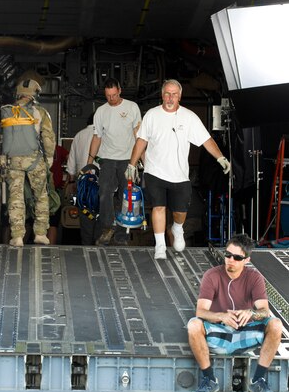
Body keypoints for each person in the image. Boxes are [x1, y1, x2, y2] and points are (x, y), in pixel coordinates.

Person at [126, 78, 230, 259]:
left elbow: (206, 140)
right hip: (155, 171)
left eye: (174, 94)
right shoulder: (151, 115)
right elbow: (141, 140)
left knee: (180, 212)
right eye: (167, 93)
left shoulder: (189, 117)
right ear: (162, 95)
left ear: (179, 96)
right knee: (158, 207)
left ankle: (177, 227)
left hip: (180, 175)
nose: (170, 97)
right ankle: (160, 246)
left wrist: (220, 156)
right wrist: (132, 163)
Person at [187, 233, 283, 392]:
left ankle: (258, 381)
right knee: (193, 325)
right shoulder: (212, 275)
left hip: (244, 331)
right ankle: (209, 380)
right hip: (219, 330)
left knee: (275, 324)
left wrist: (251, 313)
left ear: (246, 260)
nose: (230, 259)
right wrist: (221, 316)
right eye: (227, 254)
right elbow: (201, 312)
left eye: (237, 257)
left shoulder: (254, 277)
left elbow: (264, 310)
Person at [0, 79, 56, 246]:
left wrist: (1, 156)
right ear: (35, 94)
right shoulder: (40, 112)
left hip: (12, 161)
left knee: (16, 197)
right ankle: (41, 234)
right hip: (35, 160)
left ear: (18, 94)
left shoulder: (4, 112)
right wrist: (49, 158)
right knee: (41, 196)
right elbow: (48, 138)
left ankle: (17, 236)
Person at [87, 77, 141, 246]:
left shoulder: (132, 107)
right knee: (104, 192)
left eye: (114, 95)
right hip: (108, 158)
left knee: (126, 195)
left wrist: (142, 161)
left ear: (120, 91)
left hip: (127, 158)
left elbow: (138, 135)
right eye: (108, 96)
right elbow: (97, 137)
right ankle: (107, 227)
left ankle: (122, 232)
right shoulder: (101, 112)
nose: (112, 99)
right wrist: (89, 163)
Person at [66, 113, 99, 245]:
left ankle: (86, 245)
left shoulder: (79, 135)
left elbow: (71, 164)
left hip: (83, 182)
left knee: (85, 215)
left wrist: (72, 181)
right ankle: (99, 244)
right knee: (102, 214)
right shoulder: (104, 135)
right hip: (101, 180)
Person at [47, 144, 69, 244]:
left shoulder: (31, 147)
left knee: (30, 221)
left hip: (34, 189)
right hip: (53, 191)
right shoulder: (57, 148)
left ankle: (24, 248)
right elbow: (70, 159)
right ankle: (50, 249)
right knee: (53, 222)